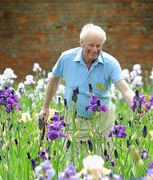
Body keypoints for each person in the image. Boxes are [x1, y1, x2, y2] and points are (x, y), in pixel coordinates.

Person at [39, 23, 135, 155]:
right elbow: (54, 80)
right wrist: (45, 107)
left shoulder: (110, 63)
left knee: (103, 158)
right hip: (73, 117)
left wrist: (137, 106)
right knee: (73, 158)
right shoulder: (66, 58)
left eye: (98, 45)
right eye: (91, 45)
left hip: (103, 118)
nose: (95, 49)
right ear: (81, 43)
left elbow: (125, 89)